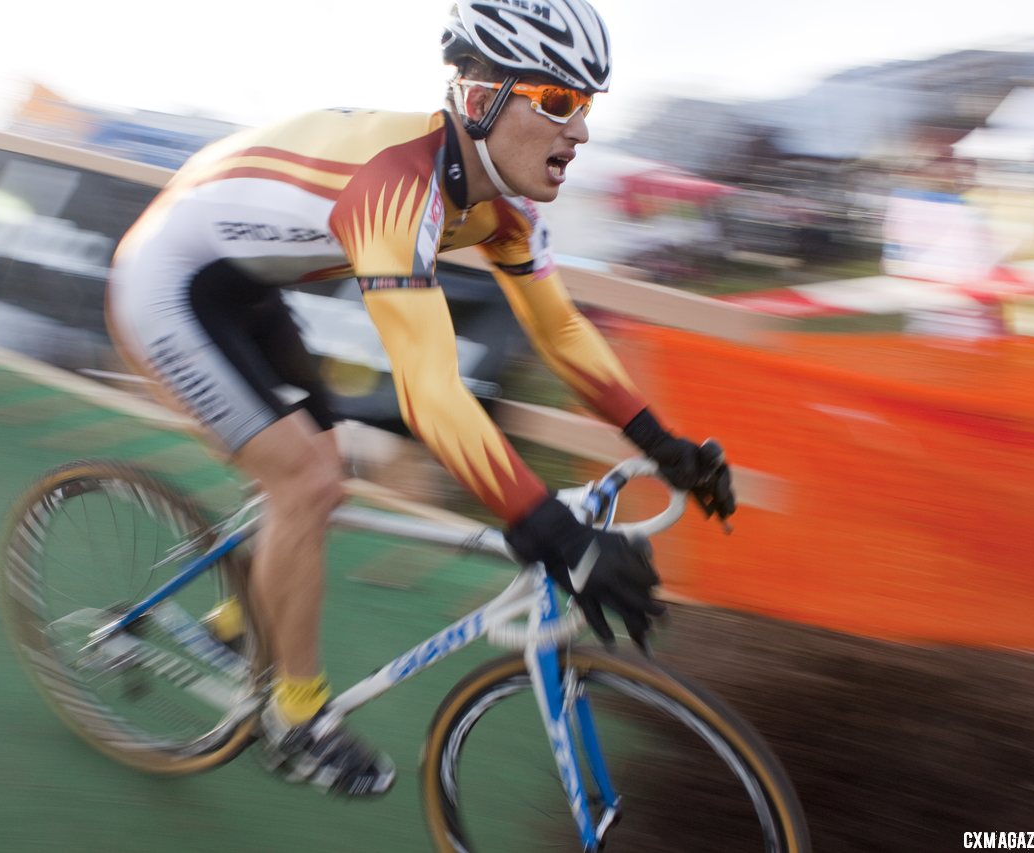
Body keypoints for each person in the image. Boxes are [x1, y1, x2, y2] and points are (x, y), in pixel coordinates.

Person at [105, 0, 736, 798]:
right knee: (307, 481)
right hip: (165, 282)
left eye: (587, 106)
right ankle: (294, 718)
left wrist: (662, 443)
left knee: (317, 461)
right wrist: (558, 537)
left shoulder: (507, 203)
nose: (580, 133)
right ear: (479, 97)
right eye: (560, 103)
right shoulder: (395, 187)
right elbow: (430, 393)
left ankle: (240, 623)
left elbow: (559, 331)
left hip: (247, 281)